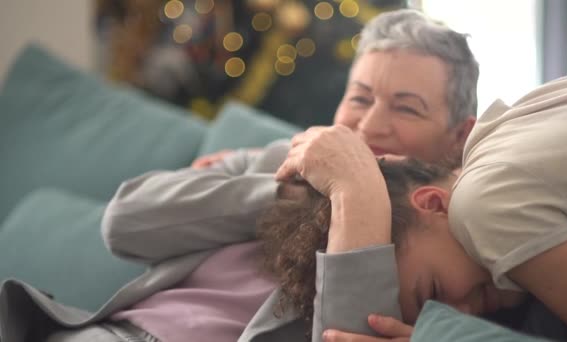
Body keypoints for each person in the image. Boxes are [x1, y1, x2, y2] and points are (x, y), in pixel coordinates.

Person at [0, 8, 479, 342]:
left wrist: (356, 193)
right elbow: (123, 224)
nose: (370, 126)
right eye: (359, 98)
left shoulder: (451, 239)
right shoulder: (275, 159)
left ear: (459, 137)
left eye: (406, 109)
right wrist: (283, 191)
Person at [275, 72, 567, 341]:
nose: (461, 315)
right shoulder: (510, 128)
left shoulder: (481, 204)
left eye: (433, 293)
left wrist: (357, 188)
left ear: (433, 203)